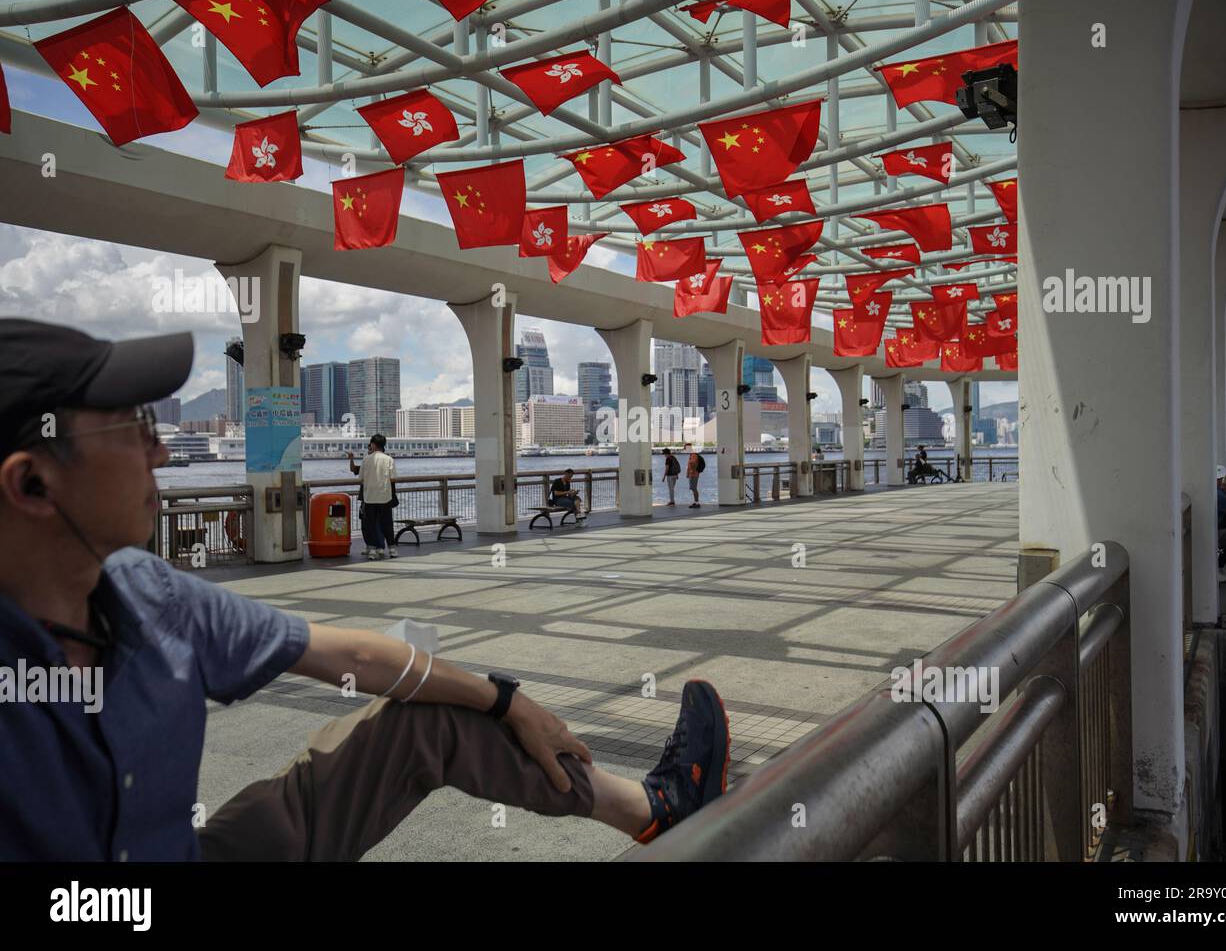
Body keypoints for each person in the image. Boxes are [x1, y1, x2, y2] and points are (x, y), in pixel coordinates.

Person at [0, 319, 732, 860]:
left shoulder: (146, 593)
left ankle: (651, 809)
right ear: (31, 482)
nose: (160, 448)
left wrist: (506, 701)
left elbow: (343, 652)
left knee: (423, 714)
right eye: (132, 426)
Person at [348, 435, 397, 560]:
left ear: (374, 444)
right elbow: (393, 478)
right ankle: (392, 549)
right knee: (387, 524)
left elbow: (361, 478)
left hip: (369, 497)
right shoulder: (389, 459)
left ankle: (373, 550)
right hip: (385, 496)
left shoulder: (366, 460)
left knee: (370, 524)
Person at [685, 444, 704, 509]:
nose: (685, 450)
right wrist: (687, 473)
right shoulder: (691, 455)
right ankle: (696, 502)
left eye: (685, 448)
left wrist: (692, 471)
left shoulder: (693, 455)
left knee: (694, 488)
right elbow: (691, 464)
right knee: (693, 488)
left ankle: (697, 503)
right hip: (692, 474)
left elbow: (693, 463)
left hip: (694, 474)